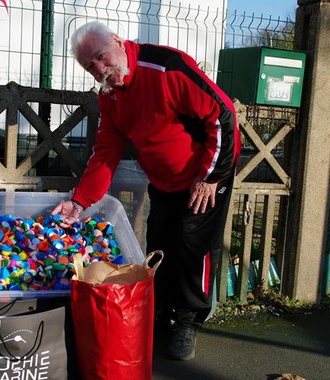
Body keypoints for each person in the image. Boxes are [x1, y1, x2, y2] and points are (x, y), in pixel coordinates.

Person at [53, 21, 241, 361]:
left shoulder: (166, 68)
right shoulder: (110, 98)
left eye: (101, 56)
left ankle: (188, 321)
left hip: (206, 175)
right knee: (160, 243)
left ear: (117, 42)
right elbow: (105, 152)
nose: (100, 69)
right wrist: (79, 201)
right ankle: (163, 312)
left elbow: (222, 115)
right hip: (165, 179)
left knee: (192, 244)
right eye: (89, 66)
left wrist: (211, 176)